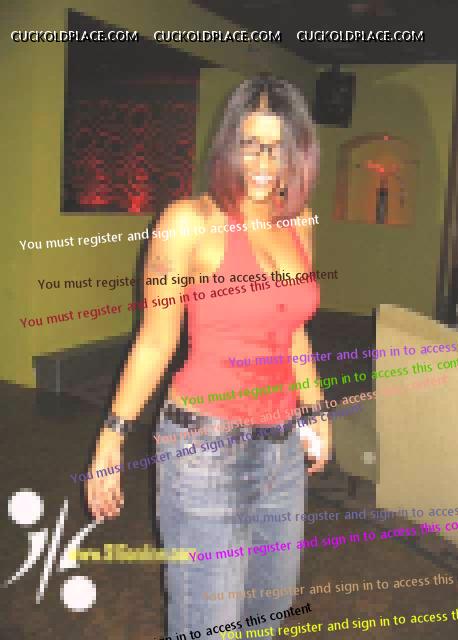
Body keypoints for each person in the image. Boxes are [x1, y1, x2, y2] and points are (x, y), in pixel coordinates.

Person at [87, 75, 332, 636]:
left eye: (278, 146)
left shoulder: (300, 224)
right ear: (229, 145)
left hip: (282, 453)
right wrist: (111, 437)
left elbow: (293, 329)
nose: (264, 162)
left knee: (267, 618)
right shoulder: (188, 223)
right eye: (251, 143)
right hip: (204, 451)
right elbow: (155, 341)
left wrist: (315, 408)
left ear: (299, 152)